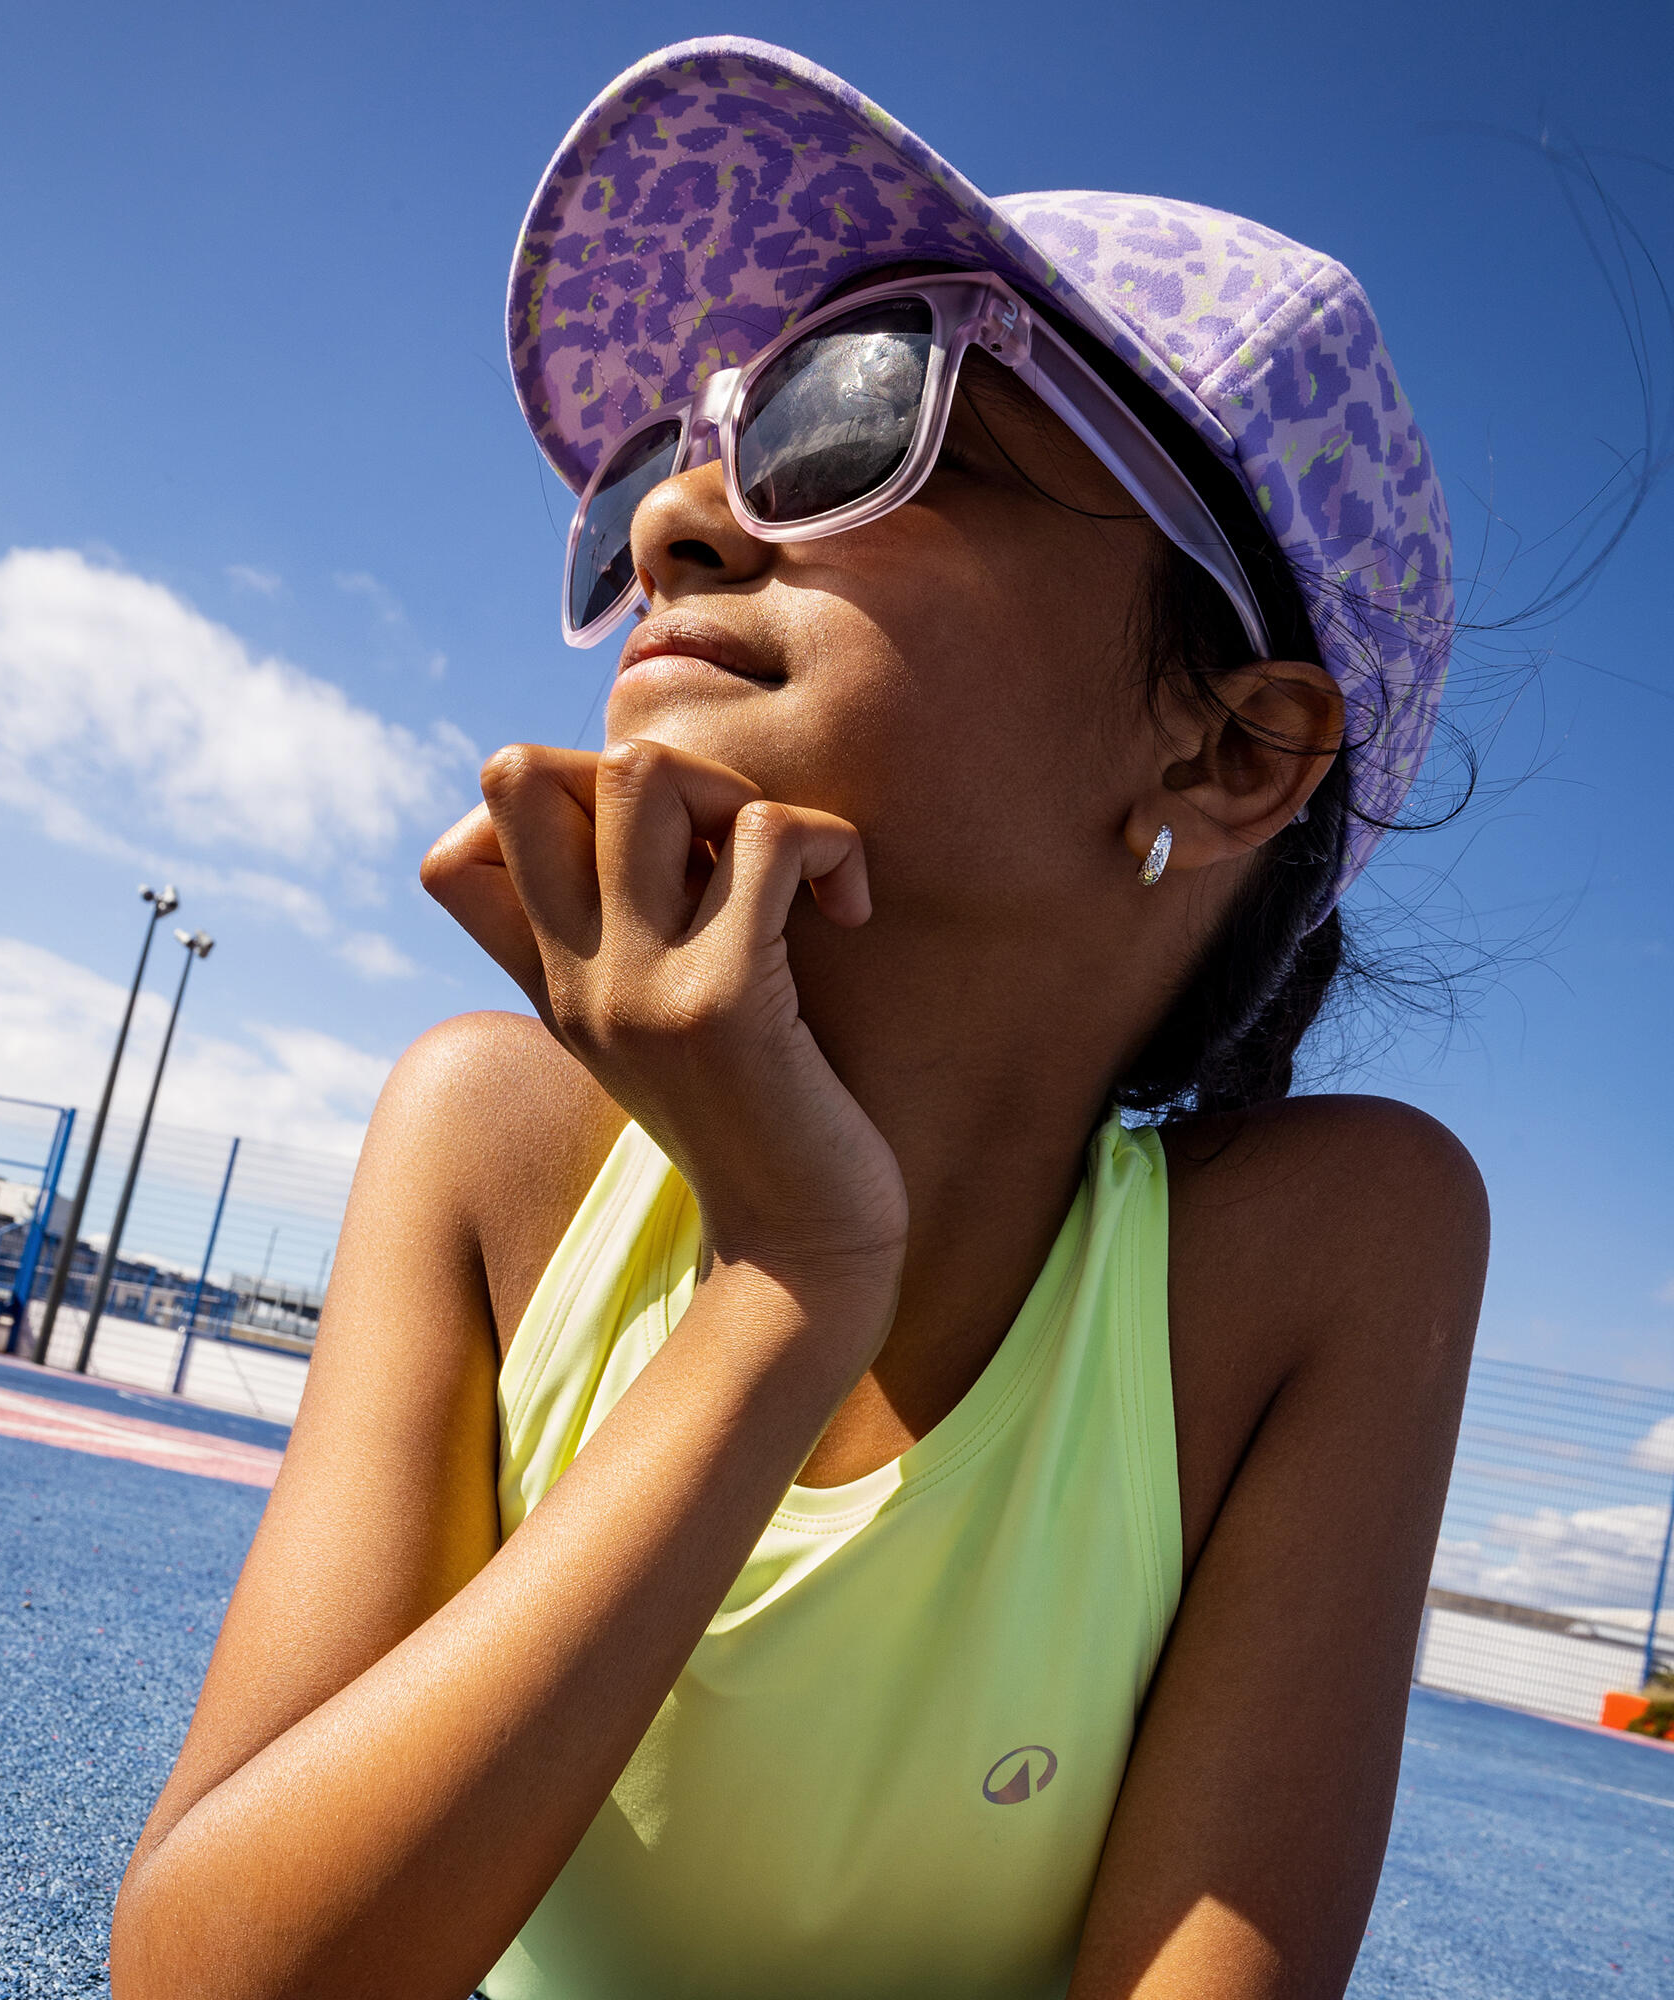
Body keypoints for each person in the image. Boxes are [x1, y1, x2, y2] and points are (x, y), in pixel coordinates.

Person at [109, 37, 1488, 2000]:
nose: (671, 521)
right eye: (658, 468)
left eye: (859, 417)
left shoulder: (1326, 1256)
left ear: (1229, 749)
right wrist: (788, 1277)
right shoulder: (490, 1139)